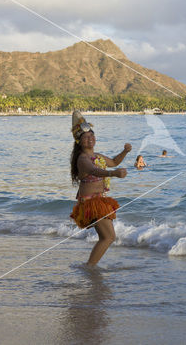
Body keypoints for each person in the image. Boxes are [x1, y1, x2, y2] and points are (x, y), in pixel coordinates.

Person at [69, 111, 131, 266]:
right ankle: (90, 267)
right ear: (79, 141)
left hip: (99, 200)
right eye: (86, 137)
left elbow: (115, 161)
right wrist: (113, 174)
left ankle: (90, 266)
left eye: (92, 135)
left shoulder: (98, 156)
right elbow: (94, 170)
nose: (90, 139)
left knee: (107, 237)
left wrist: (125, 151)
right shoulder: (83, 159)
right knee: (109, 237)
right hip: (91, 203)